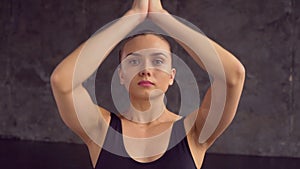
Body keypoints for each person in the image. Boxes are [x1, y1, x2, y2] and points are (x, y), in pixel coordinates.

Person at [50, 0, 245, 169]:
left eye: (158, 61)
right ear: (121, 75)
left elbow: (233, 75)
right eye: (133, 61)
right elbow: (62, 81)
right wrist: (132, 17)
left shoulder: (194, 131)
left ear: (171, 76)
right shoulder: (100, 128)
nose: (146, 70)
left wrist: (162, 17)